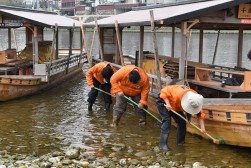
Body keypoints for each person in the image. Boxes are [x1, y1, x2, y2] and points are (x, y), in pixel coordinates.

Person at [156, 85, 206, 151]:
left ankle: (180, 142)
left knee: (182, 121)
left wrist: (202, 128)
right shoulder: (177, 93)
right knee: (167, 120)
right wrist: (167, 103)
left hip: (176, 105)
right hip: (164, 101)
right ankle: (162, 145)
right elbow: (164, 91)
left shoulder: (196, 99)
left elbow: (200, 113)